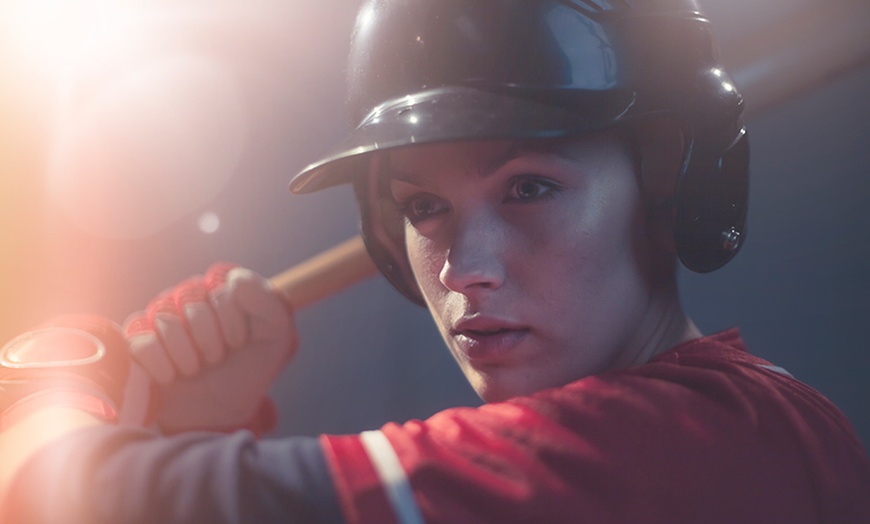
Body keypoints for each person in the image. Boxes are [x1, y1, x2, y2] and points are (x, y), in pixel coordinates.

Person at [1, 0, 868, 522]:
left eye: (529, 188)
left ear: (670, 189)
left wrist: (51, 393)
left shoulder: (695, 443)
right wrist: (195, 431)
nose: (463, 268)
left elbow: (56, 498)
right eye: (424, 208)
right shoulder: (764, 428)